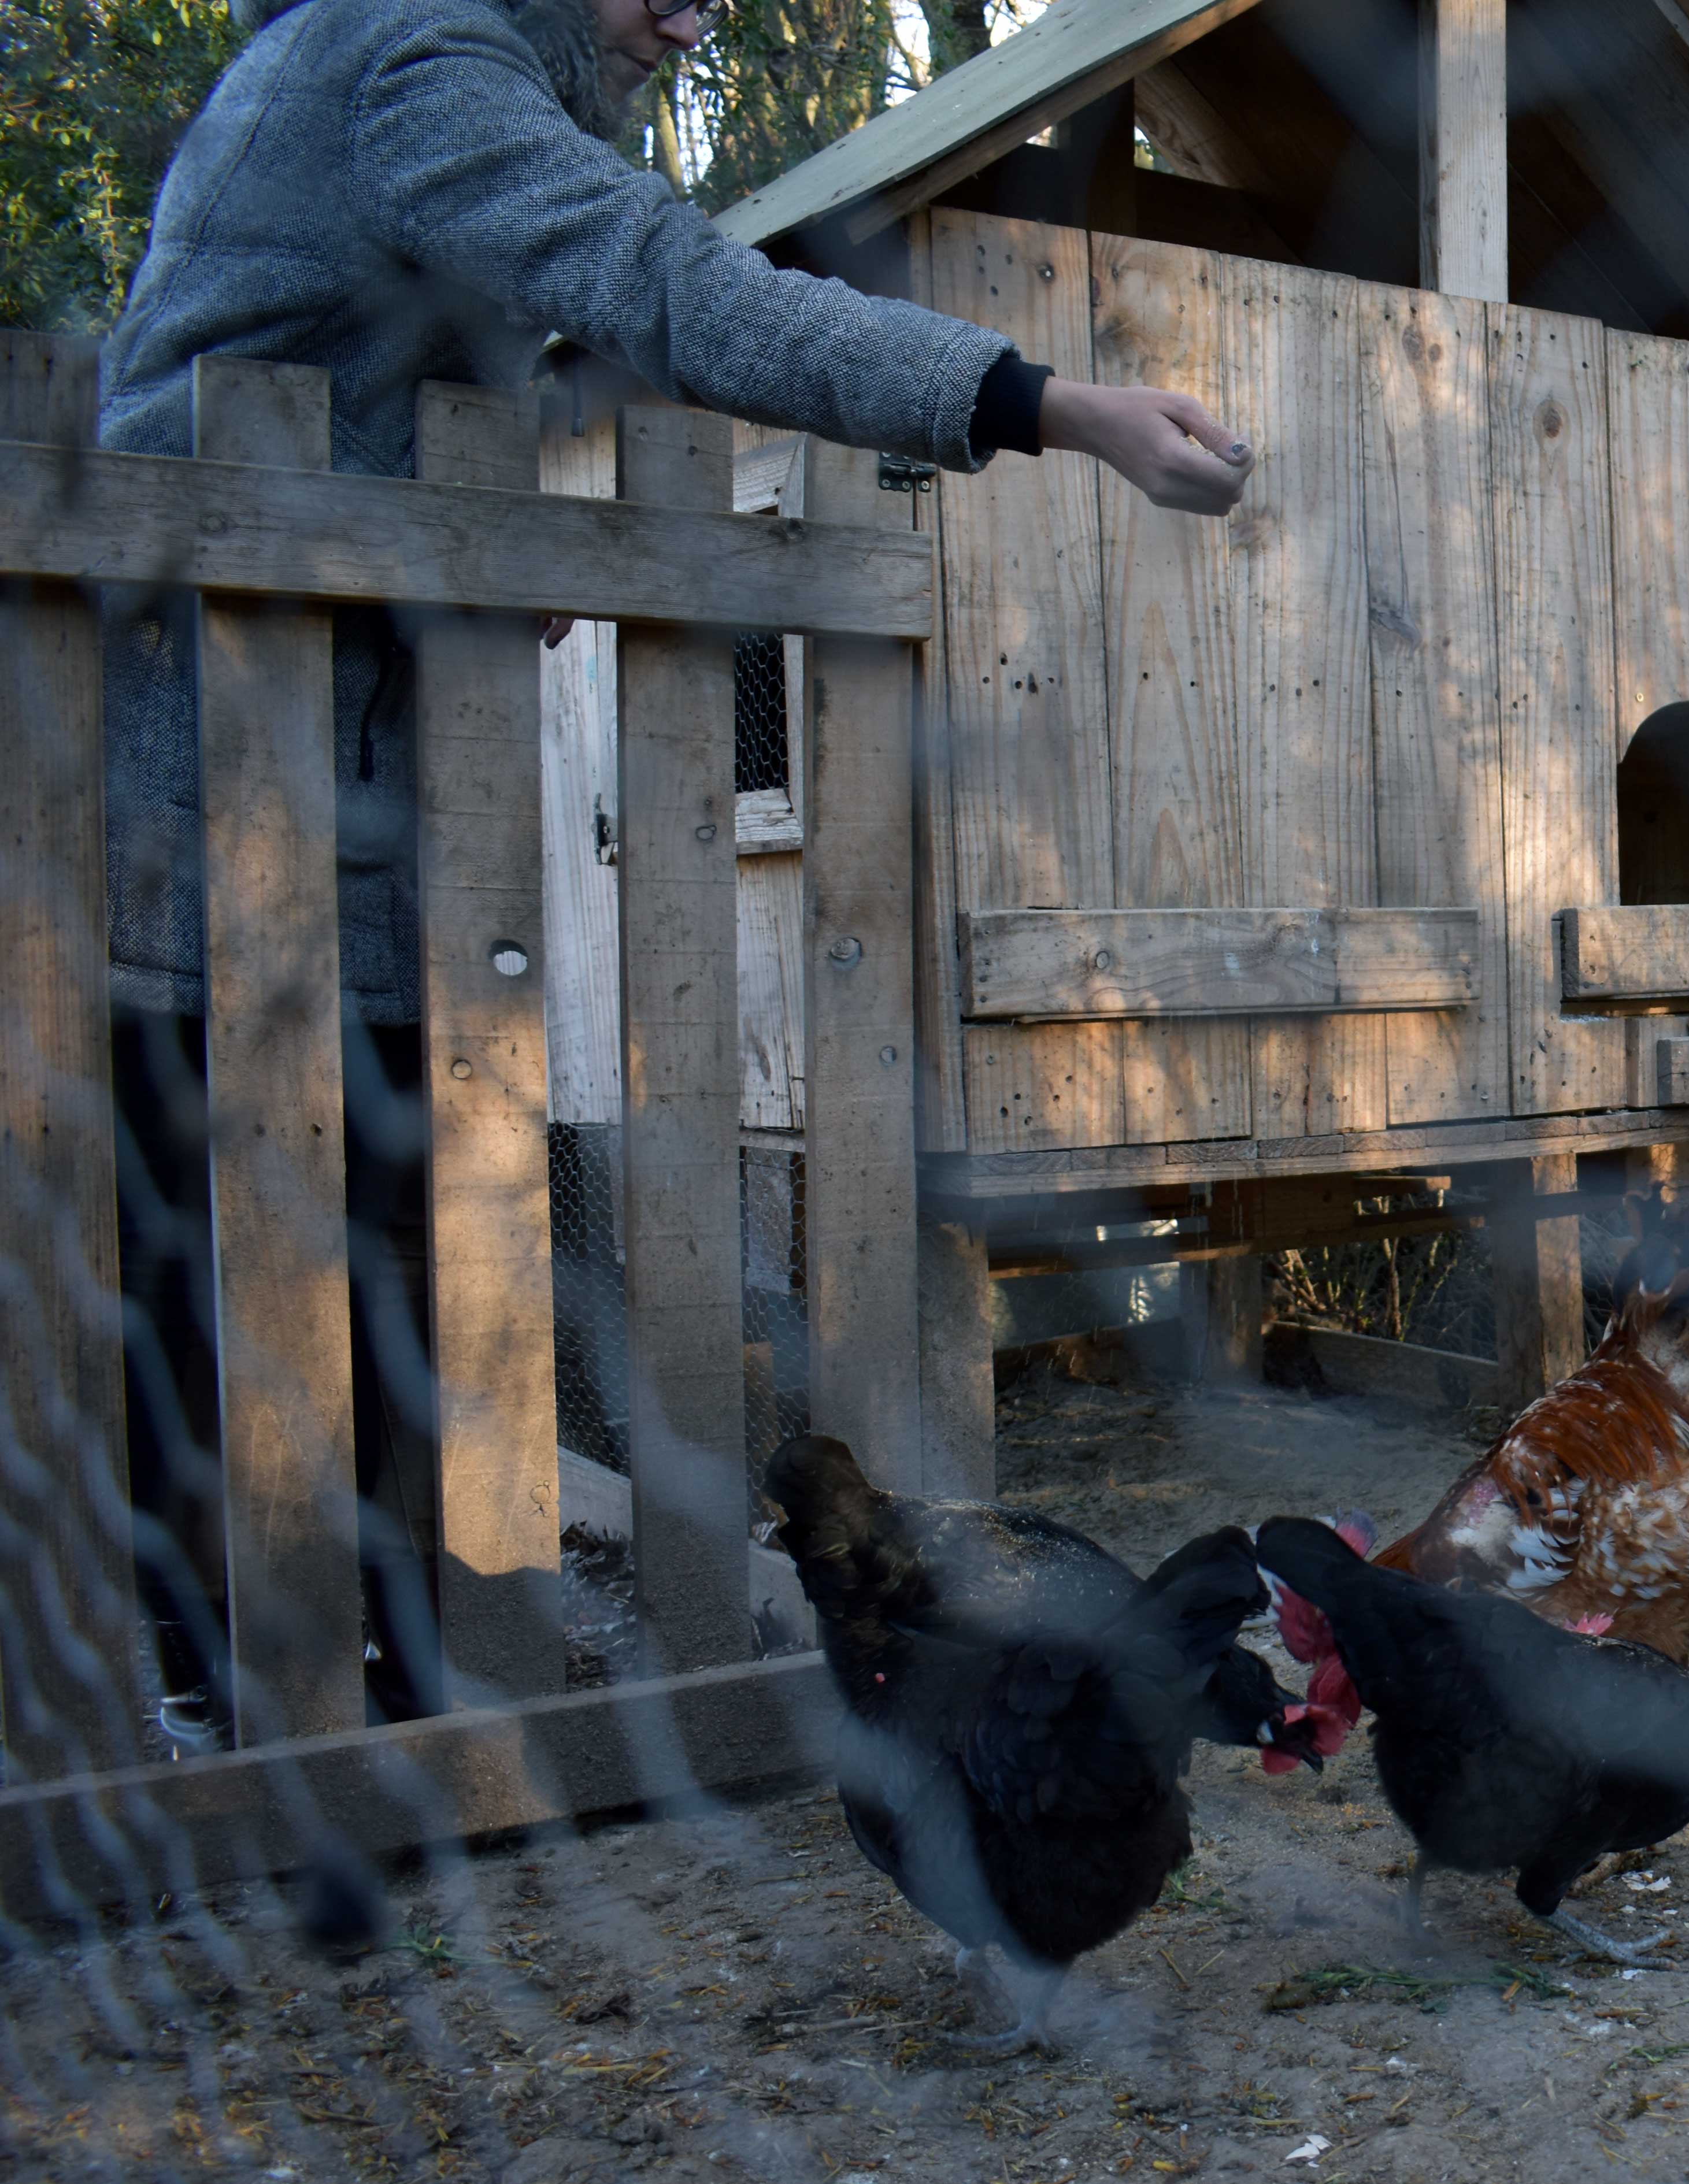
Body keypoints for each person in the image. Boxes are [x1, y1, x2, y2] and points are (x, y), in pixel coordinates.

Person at [97, 0, 1250, 1747]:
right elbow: (673, 285)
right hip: (219, 771)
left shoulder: (400, 59)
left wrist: (458, 555)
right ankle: (220, 1680)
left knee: (366, 1230)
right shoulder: (419, 57)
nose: (694, 15)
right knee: (232, 1252)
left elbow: (357, 383)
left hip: (322, 761)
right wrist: (1048, 403)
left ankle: (359, 1663)